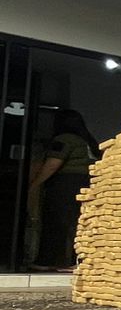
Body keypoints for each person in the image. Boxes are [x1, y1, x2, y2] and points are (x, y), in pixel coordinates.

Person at [27, 109, 99, 270]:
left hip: (66, 183)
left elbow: (53, 164)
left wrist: (35, 184)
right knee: (78, 222)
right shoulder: (87, 141)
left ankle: (50, 261)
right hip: (87, 183)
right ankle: (76, 259)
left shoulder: (64, 139)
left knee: (58, 222)